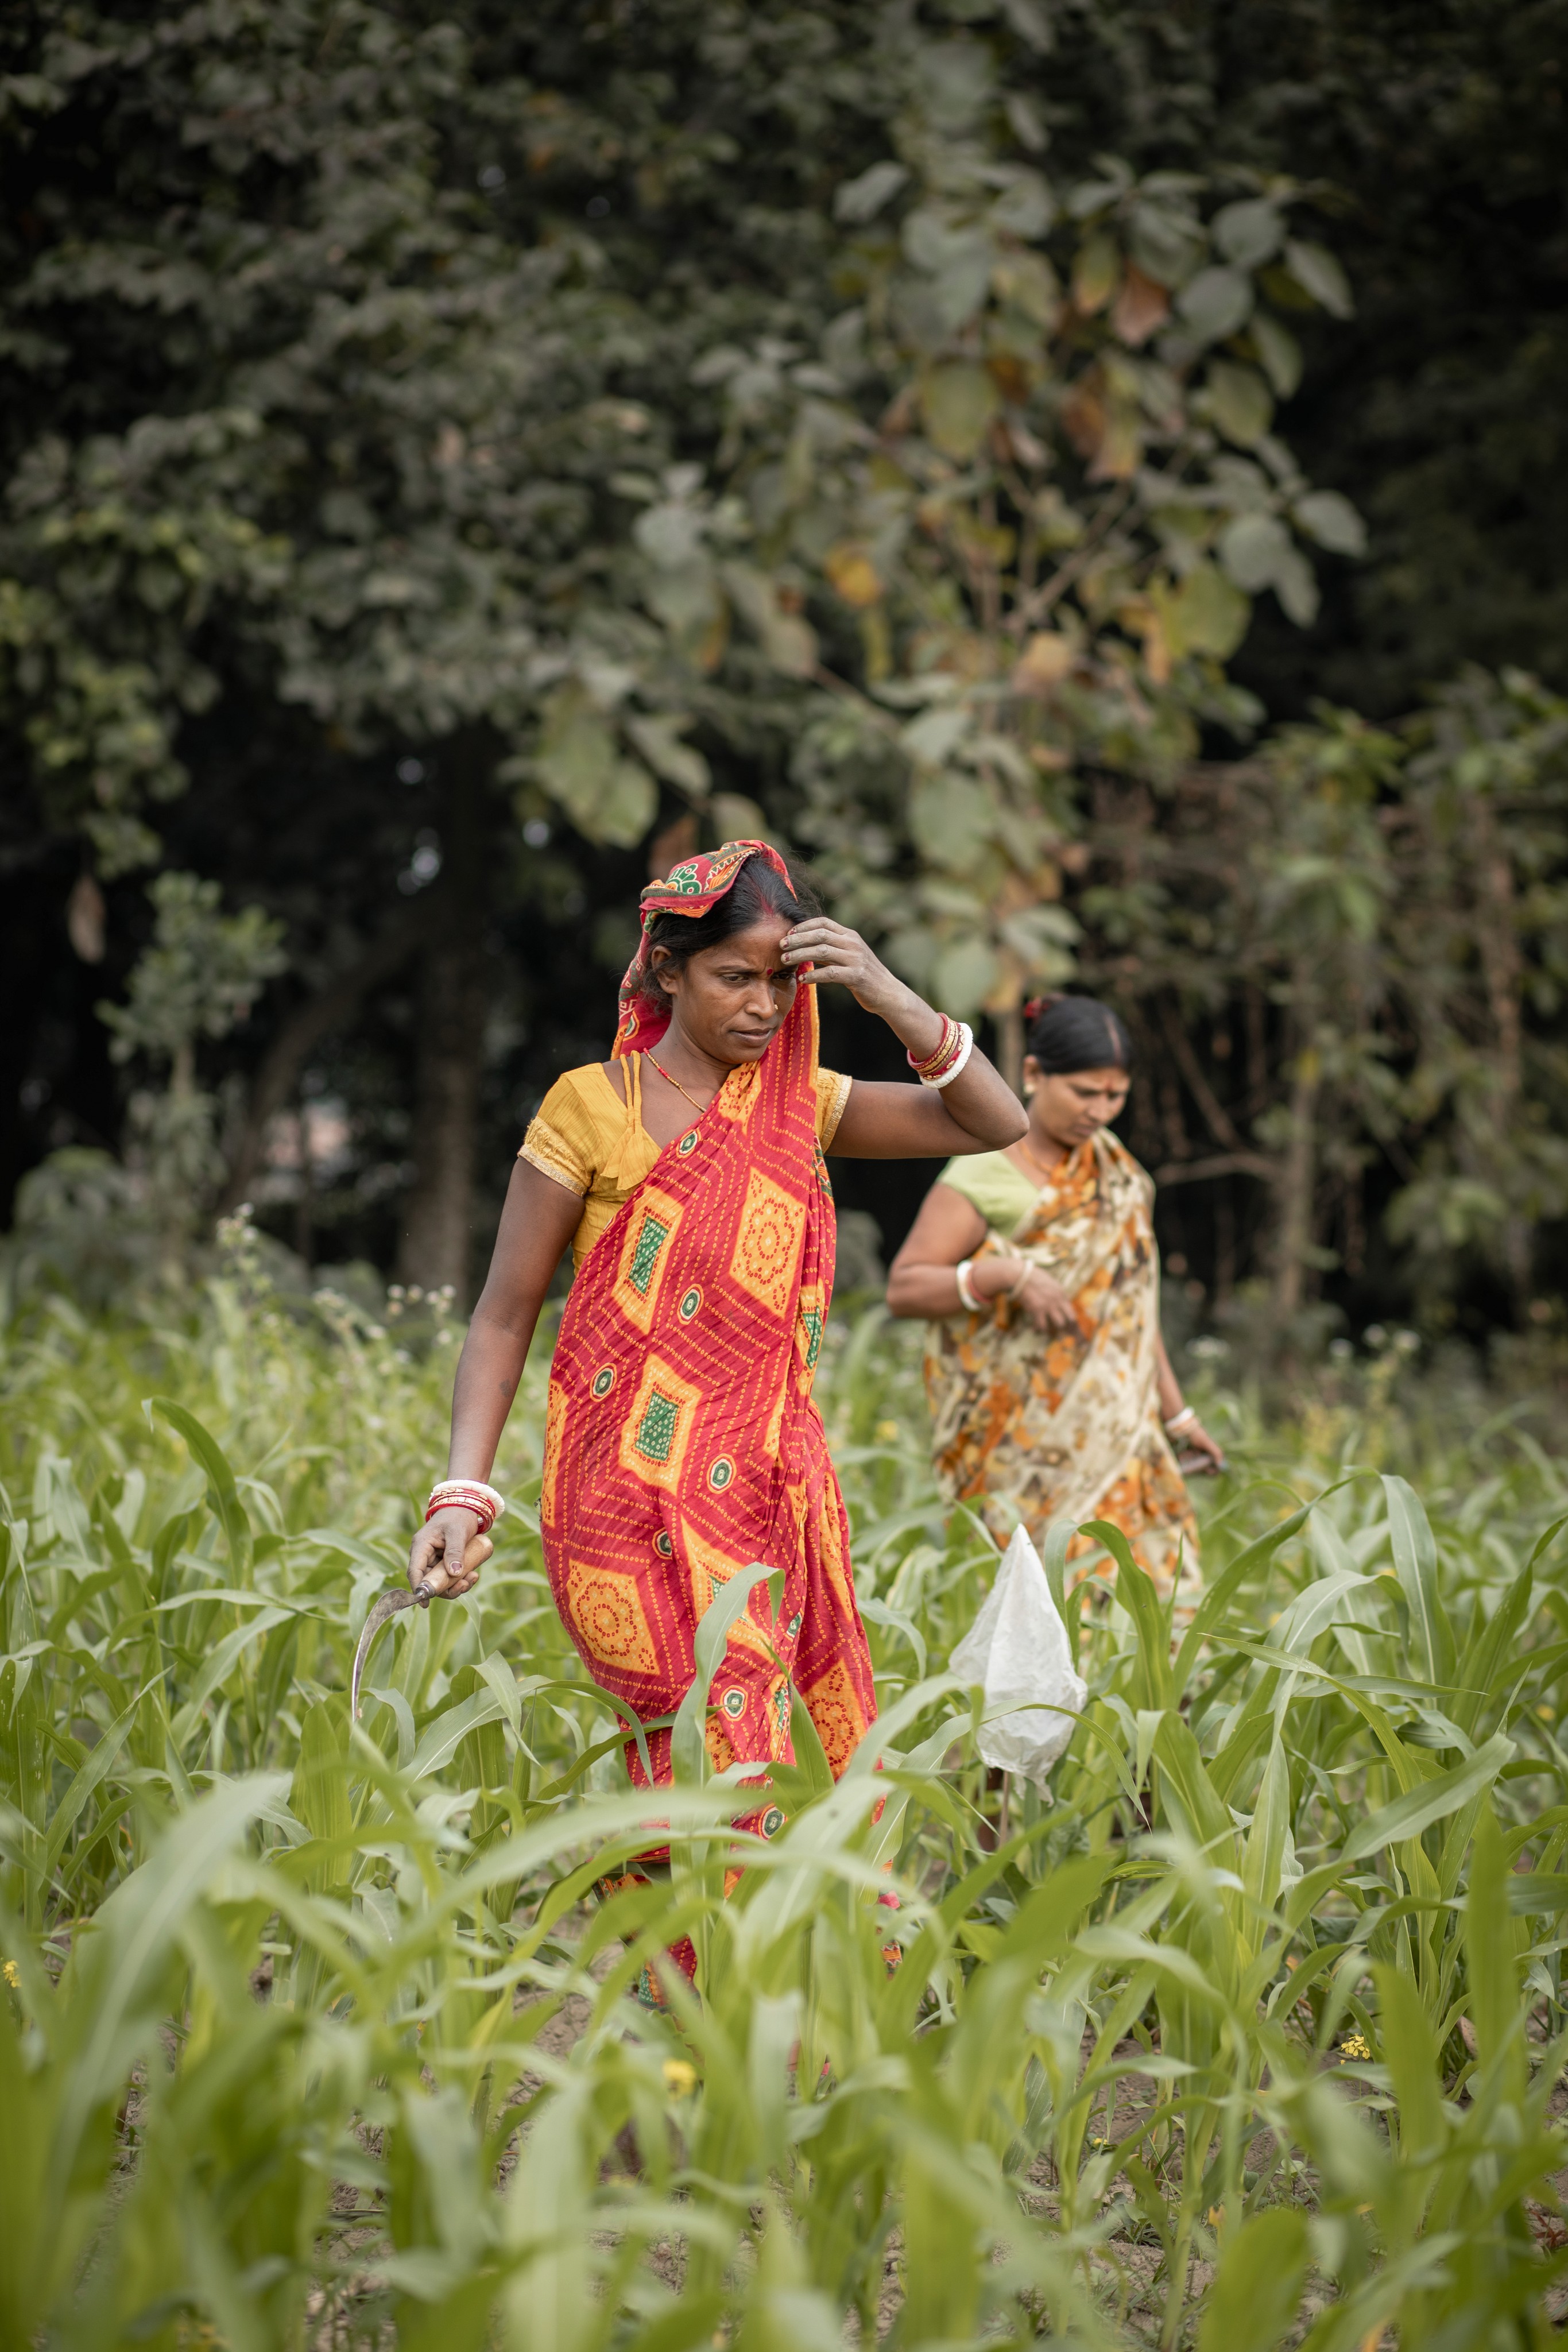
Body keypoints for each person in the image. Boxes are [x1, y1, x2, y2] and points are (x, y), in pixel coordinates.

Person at [406, 840, 1027, 1860]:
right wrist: (462, 1494)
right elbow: (504, 1313)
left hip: (766, 1495)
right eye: (735, 976)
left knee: (764, 1760)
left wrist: (886, 994)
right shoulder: (590, 1107)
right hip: (619, 1500)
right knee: (700, 1750)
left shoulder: (801, 1105)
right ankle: (716, 1995)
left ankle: (714, 1996)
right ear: (665, 970)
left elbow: (990, 1121)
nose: (764, 1005)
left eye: (783, 980)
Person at [885, 992, 1222, 1607]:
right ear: (1034, 1074)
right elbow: (906, 1287)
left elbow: (1129, 1317)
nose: (1099, 1111)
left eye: (1113, 1096)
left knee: (1146, 1601)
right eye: (1084, 1092)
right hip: (1020, 1449)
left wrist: (1177, 1417)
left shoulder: (1121, 1180)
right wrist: (1003, 1275)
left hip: (1119, 1437)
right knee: (1042, 1609)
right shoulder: (983, 1172)